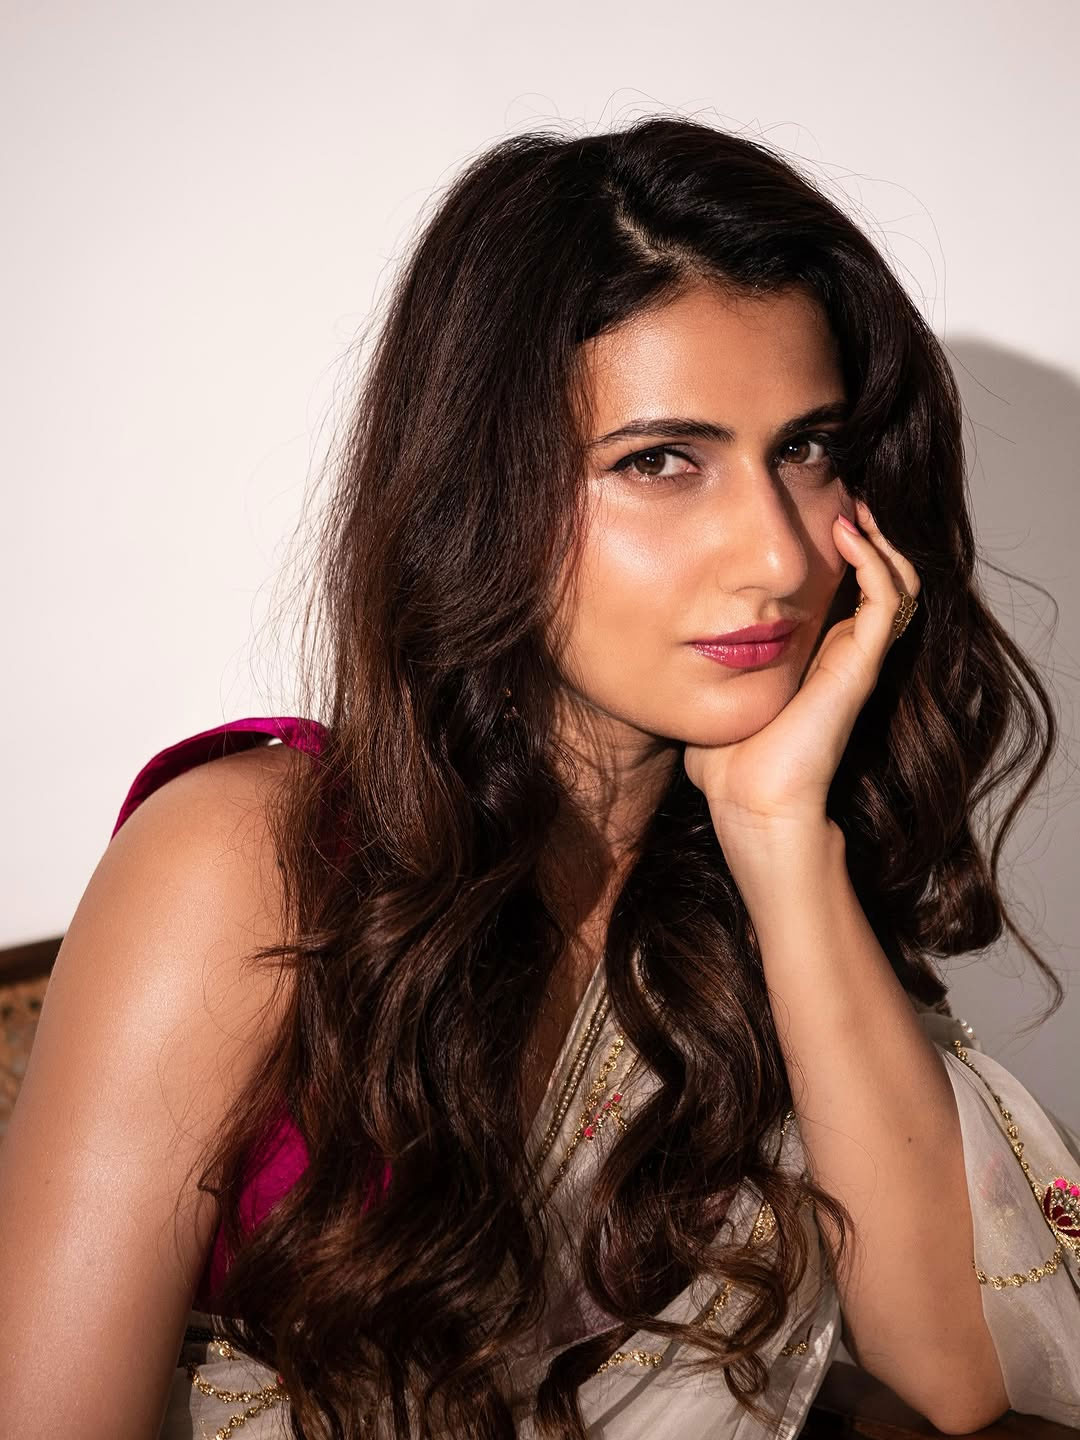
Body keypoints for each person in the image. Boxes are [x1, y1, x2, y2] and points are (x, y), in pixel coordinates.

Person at [1, 115, 1078, 1440]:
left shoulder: (757, 900)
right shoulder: (252, 862)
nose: (779, 556)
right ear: (483, 492)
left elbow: (956, 1381)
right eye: (660, 461)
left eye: (806, 448)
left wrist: (778, 832)